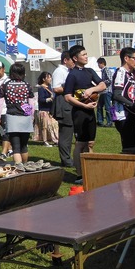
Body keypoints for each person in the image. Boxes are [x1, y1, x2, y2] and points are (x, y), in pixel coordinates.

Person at [64, 45, 107, 184]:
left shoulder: (89, 71)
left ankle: (90, 171)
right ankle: (79, 174)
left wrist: (91, 89)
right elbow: (68, 97)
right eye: (83, 54)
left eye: (86, 54)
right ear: (75, 58)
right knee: (80, 143)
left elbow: (103, 85)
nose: (86, 56)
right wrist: (84, 105)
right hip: (79, 113)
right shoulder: (72, 75)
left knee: (91, 143)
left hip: (90, 112)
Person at [0, 63, 35, 164]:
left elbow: (0, 103)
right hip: (25, 116)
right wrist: (31, 116)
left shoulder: (6, 86)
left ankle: (19, 168)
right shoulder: (27, 85)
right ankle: (26, 166)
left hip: (12, 117)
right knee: (24, 146)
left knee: (16, 147)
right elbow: (31, 103)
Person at [111, 47, 135, 150]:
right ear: (126, 58)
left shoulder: (130, 74)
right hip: (122, 115)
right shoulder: (121, 72)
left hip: (131, 113)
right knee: (129, 146)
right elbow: (117, 95)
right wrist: (133, 105)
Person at [51, 51, 75, 168]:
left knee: (69, 133)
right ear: (65, 60)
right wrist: (70, 87)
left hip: (68, 103)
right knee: (65, 133)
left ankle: (68, 158)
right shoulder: (60, 71)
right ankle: (66, 160)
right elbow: (56, 88)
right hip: (63, 104)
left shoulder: (67, 71)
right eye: (72, 60)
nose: (74, 63)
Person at [34, 71, 58, 147]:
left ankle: (55, 140)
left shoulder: (50, 87)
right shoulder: (41, 88)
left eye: (50, 77)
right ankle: (45, 141)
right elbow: (41, 99)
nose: (50, 79)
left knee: (53, 124)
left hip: (50, 110)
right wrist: (49, 99)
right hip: (43, 110)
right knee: (45, 126)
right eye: (48, 77)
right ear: (44, 79)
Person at [96, 57, 113, 127]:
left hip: (107, 91)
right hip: (103, 92)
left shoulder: (106, 70)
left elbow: (110, 79)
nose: (98, 65)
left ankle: (109, 121)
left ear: (102, 63)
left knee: (107, 107)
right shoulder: (103, 71)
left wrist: (102, 83)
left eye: (98, 64)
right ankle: (100, 121)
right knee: (99, 106)